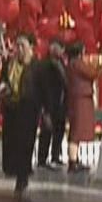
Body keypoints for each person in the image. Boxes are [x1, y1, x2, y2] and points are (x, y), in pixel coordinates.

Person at [0, 35, 41, 196]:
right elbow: (2, 80)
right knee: (13, 142)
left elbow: (42, 88)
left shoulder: (36, 66)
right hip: (11, 108)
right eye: (18, 46)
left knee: (25, 143)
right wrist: (2, 88)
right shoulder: (9, 64)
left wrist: (46, 110)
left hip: (28, 109)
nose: (20, 49)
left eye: (23, 46)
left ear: (30, 48)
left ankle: (22, 177)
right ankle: (14, 170)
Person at [34, 40, 69, 171]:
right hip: (49, 103)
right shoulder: (45, 65)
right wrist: (45, 108)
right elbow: (44, 87)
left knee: (59, 131)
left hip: (61, 103)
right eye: (59, 48)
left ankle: (55, 156)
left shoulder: (62, 64)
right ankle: (42, 159)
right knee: (47, 131)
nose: (61, 51)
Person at [66, 45, 102, 172]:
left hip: (77, 98)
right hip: (80, 99)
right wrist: (99, 65)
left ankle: (75, 159)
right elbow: (92, 73)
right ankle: (73, 161)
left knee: (76, 129)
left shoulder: (71, 64)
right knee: (77, 131)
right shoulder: (77, 64)